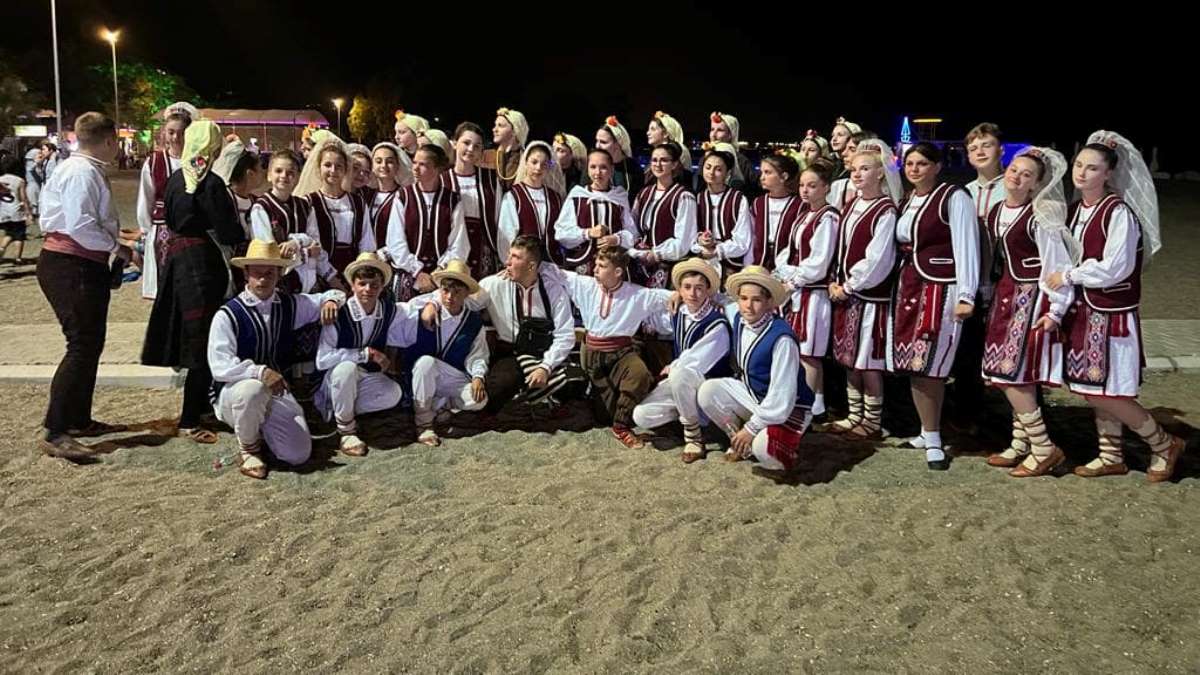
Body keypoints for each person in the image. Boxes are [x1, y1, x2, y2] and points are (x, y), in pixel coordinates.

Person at [1048, 131, 1185, 482]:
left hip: (1111, 313)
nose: (1082, 173)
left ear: (1108, 174)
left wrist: (1070, 275)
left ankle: (1163, 442)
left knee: (1111, 391)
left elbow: (1116, 267)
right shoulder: (1076, 211)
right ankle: (1111, 455)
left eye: (1092, 168)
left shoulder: (1118, 212)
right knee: (1093, 388)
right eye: (1079, 165)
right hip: (1085, 310)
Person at [35, 112, 134, 460]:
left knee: (89, 343)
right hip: (71, 263)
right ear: (108, 140)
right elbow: (80, 225)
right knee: (81, 344)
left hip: (75, 262)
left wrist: (116, 241)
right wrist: (117, 247)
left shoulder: (77, 168)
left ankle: (77, 419)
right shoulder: (82, 172)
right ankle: (56, 429)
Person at [141, 121, 245, 445]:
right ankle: (189, 419)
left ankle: (199, 408)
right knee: (203, 340)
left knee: (193, 337)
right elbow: (228, 231)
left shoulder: (176, 180)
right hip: (202, 266)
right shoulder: (210, 183)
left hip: (177, 262)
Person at [209, 240, 345, 479]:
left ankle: (260, 429)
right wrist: (260, 372)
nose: (263, 279)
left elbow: (334, 294)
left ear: (280, 274)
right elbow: (220, 365)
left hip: (277, 391)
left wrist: (331, 301)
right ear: (246, 274)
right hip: (235, 395)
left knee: (298, 454)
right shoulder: (228, 314)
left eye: (270, 273)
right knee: (252, 390)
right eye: (257, 273)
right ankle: (248, 449)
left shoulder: (289, 304)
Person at [980, 147, 1074, 477]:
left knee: (1011, 374)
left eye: (1026, 175)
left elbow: (1056, 264)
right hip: (1006, 294)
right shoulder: (996, 211)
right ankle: (1021, 442)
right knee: (1008, 373)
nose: (1017, 177)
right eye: (1014, 170)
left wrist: (1056, 310)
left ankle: (1044, 447)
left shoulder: (1040, 217)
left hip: (1032, 298)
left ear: (1036, 184)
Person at [888, 142, 979, 471]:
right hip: (909, 286)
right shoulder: (907, 200)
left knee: (932, 367)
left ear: (937, 166)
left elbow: (966, 245)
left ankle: (935, 437)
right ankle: (927, 431)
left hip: (940, 289)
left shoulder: (953, 197)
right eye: (910, 163)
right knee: (915, 365)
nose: (914, 169)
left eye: (922, 163)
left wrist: (967, 294)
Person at [698, 265, 812, 477]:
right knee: (707, 391)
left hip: (786, 407)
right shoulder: (740, 320)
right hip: (754, 395)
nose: (748, 306)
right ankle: (740, 442)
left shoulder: (782, 339)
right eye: (743, 298)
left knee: (765, 452)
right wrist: (676, 295)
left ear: (769, 302)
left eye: (756, 300)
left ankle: (762, 440)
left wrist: (752, 428)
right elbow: (716, 299)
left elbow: (782, 396)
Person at [561, 246, 672, 448]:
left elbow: (671, 296)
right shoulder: (585, 285)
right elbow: (555, 273)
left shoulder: (636, 294)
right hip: (593, 356)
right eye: (596, 264)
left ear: (618, 271)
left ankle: (621, 428)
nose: (595, 269)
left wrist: (680, 296)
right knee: (603, 416)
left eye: (602, 266)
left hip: (622, 354)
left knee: (639, 374)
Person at [826, 141, 901, 438]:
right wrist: (836, 280)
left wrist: (849, 285)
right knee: (849, 358)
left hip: (870, 297)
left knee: (869, 361)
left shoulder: (885, 210)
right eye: (854, 169)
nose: (857, 174)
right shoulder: (851, 205)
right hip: (846, 293)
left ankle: (872, 420)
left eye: (865, 169)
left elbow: (878, 259)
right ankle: (854, 413)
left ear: (880, 173)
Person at [315, 252, 417, 457]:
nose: (368, 290)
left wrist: (433, 304)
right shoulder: (339, 312)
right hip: (335, 378)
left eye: (374, 285)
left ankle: (342, 411)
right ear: (352, 285)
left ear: (382, 286)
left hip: (364, 377)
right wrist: (365, 354)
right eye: (362, 284)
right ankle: (346, 430)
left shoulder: (388, 310)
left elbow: (416, 307)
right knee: (346, 369)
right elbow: (322, 360)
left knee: (393, 393)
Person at [632, 258, 731, 462]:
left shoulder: (716, 323)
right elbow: (651, 309)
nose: (692, 294)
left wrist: (673, 366)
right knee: (641, 415)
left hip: (708, 387)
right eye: (687, 287)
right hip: (681, 382)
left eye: (699, 288)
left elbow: (698, 362)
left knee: (679, 373)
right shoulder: (679, 313)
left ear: (708, 291)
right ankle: (686, 415)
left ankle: (693, 436)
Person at [774, 158, 840, 423]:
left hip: (814, 293)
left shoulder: (829, 217)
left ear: (826, 187)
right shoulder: (804, 215)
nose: (805, 190)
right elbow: (787, 252)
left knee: (810, 353)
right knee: (804, 351)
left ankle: (805, 410)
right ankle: (817, 406)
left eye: (812, 185)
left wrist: (793, 279)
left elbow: (819, 262)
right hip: (799, 290)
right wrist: (784, 271)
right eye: (802, 185)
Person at [409, 260, 490, 446]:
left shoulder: (473, 321)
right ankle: (424, 423)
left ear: (467, 293)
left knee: (479, 399)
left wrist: (478, 376)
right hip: (423, 374)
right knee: (426, 362)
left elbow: (478, 354)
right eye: (445, 291)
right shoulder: (427, 310)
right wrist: (431, 302)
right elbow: (408, 306)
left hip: (450, 376)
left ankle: (441, 405)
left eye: (457, 292)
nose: (449, 297)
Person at [383, 144, 468, 300]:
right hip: (408, 274)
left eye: (422, 164)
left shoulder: (452, 200)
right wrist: (417, 271)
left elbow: (459, 242)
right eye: (414, 162)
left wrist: (439, 272)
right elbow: (395, 240)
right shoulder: (403, 196)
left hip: (442, 277)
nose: (415, 168)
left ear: (437, 169)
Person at [136, 101, 195, 299]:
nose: (176, 138)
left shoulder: (197, 161)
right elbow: (146, 197)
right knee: (164, 286)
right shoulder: (155, 162)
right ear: (164, 133)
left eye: (181, 133)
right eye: (171, 132)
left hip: (191, 228)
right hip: (162, 229)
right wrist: (145, 230)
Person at [554, 149, 636, 275]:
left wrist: (617, 239)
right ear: (587, 169)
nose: (597, 172)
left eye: (603, 167)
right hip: (582, 264)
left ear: (611, 169)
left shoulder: (619, 196)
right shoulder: (577, 195)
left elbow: (632, 232)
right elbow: (561, 233)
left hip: (613, 266)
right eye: (593, 167)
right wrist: (587, 233)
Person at [498, 141, 567, 265]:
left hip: (553, 263)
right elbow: (506, 235)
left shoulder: (555, 198)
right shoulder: (513, 196)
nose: (538, 168)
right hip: (524, 264)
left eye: (544, 164)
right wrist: (509, 263)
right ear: (525, 163)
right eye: (534, 162)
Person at [693, 146, 751, 282]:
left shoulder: (738, 199)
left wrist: (717, 251)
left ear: (728, 173)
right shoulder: (698, 198)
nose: (711, 173)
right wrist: (699, 241)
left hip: (730, 262)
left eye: (718, 169)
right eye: (708, 167)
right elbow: (690, 233)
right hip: (703, 259)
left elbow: (742, 241)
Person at [709, 111, 758, 195]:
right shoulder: (706, 157)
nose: (713, 135)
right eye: (712, 129)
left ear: (730, 135)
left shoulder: (741, 161)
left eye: (720, 130)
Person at [596, 116, 643, 200]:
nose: (597, 146)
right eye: (597, 141)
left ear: (618, 143)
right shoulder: (593, 166)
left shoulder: (634, 168)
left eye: (603, 142)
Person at [0, 169, 34, 264]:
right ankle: (17, 258)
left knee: (9, 233)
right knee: (19, 236)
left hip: (3, 212)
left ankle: (1, 248)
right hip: (17, 211)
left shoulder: (0, 179)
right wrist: (28, 212)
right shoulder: (19, 180)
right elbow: (23, 198)